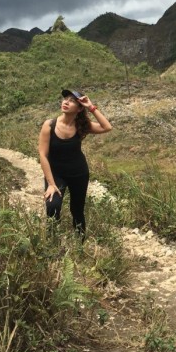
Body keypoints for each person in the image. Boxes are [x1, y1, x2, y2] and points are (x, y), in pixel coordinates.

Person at [38, 89, 112, 239]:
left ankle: (80, 244)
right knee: (52, 206)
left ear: (79, 109)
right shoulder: (49, 125)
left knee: (77, 210)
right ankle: (53, 244)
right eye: (65, 99)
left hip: (79, 173)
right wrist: (51, 184)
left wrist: (91, 106)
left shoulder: (81, 126)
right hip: (56, 174)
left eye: (72, 100)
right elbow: (43, 155)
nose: (66, 102)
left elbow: (107, 127)